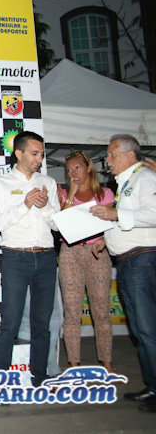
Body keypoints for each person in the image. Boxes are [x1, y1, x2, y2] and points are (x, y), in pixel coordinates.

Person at [0, 131, 59, 388]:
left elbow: (57, 225)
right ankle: (0, 378)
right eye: (35, 153)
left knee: (42, 323)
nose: (40, 158)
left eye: (42, 154)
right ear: (19, 153)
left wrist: (45, 206)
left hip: (47, 257)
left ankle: (40, 376)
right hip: (16, 257)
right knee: (10, 321)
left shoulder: (48, 182)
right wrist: (25, 205)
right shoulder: (2, 184)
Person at [90, 134, 156, 412]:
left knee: (148, 329)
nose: (108, 159)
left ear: (130, 155)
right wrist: (108, 239)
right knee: (140, 330)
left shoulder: (145, 178)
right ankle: (152, 385)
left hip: (143, 260)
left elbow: (153, 214)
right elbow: (131, 218)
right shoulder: (126, 183)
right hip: (129, 262)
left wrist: (115, 215)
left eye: (112, 154)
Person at [58, 151, 115, 371]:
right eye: (69, 170)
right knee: (72, 312)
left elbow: (111, 224)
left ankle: (107, 363)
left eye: (77, 168)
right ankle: (73, 364)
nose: (73, 173)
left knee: (101, 311)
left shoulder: (105, 194)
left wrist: (105, 239)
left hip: (97, 252)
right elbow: (61, 222)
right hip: (70, 252)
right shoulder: (64, 195)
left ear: (89, 168)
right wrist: (70, 194)